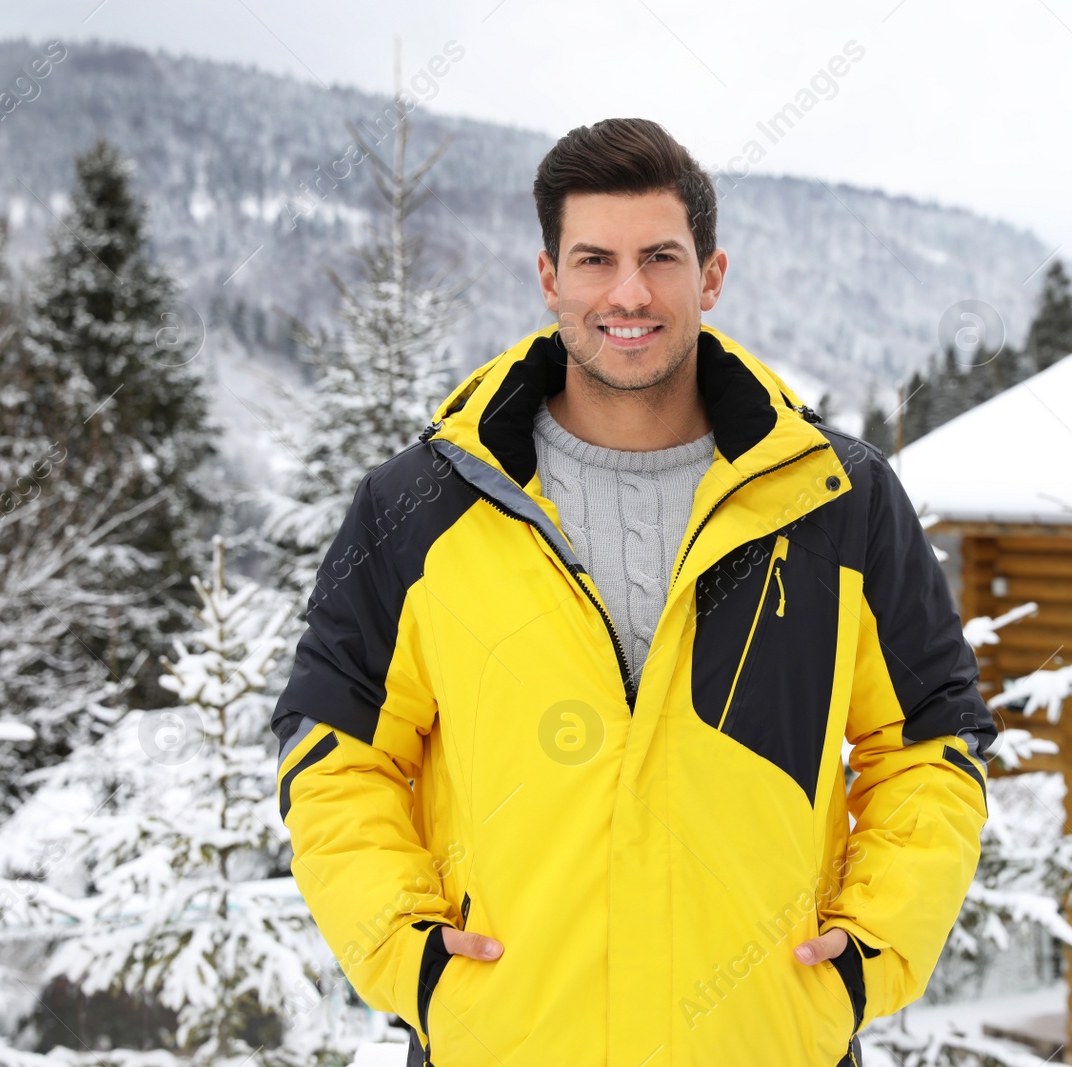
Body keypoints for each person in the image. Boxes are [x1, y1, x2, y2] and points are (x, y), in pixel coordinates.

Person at [272, 117, 996, 1067]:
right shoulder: (417, 507)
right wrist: (415, 961)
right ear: (549, 278)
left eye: (660, 256)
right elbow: (334, 755)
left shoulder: (838, 502)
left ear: (711, 274)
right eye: (594, 258)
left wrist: (866, 957)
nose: (628, 292)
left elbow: (931, 747)